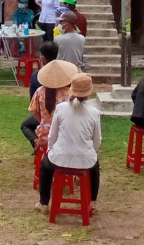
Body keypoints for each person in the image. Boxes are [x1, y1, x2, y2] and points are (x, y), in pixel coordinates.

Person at [37, 73, 102, 215]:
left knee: (45, 166)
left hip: (60, 157)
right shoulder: (94, 112)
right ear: (89, 92)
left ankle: (43, 203)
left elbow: (52, 135)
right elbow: (97, 140)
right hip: (85, 159)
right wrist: (91, 153)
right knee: (95, 168)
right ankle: (93, 201)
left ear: (72, 90)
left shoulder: (60, 108)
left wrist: (50, 151)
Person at [28, 59, 77, 154]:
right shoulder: (69, 93)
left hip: (44, 136)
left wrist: (45, 122)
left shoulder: (39, 91)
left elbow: (36, 113)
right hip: (65, 136)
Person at [22, 41, 61, 150]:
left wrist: (44, 121)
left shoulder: (36, 76)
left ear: (43, 58)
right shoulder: (63, 75)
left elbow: (34, 106)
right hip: (63, 119)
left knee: (25, 125)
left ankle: (36, 143)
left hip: (44, 117)